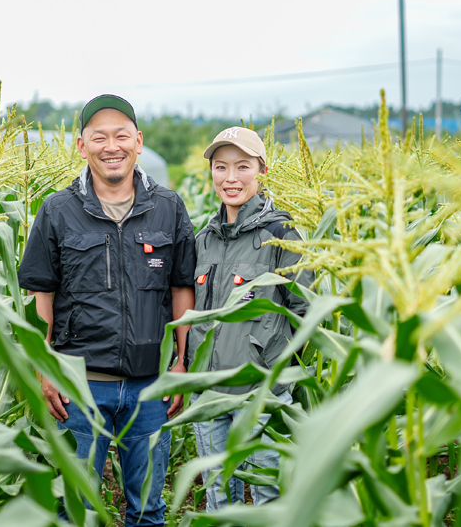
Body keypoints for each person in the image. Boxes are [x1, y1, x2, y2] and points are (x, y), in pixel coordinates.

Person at [18, 94, 196, 526]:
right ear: (82, 146)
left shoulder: (168, 207)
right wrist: (44, 368)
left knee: (149, 509)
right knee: (72, 509)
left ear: (138, 141)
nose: (110, 146)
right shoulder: (57, 211)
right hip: (79, 386)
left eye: (121, 135)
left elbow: (182, 289)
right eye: (99, 137)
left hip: (150, 388)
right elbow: (41, 297)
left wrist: (183, 364)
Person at [185, 126, 313, 510]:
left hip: (261, 393)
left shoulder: (281, 234)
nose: (231, 178)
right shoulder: (203, 239)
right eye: (221, 167)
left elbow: (304, 310)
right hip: (208, 390)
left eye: (243, 167)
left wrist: (272, 365)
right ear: (210, 173)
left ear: (262, 170)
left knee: (267, 492)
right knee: (216, 492)